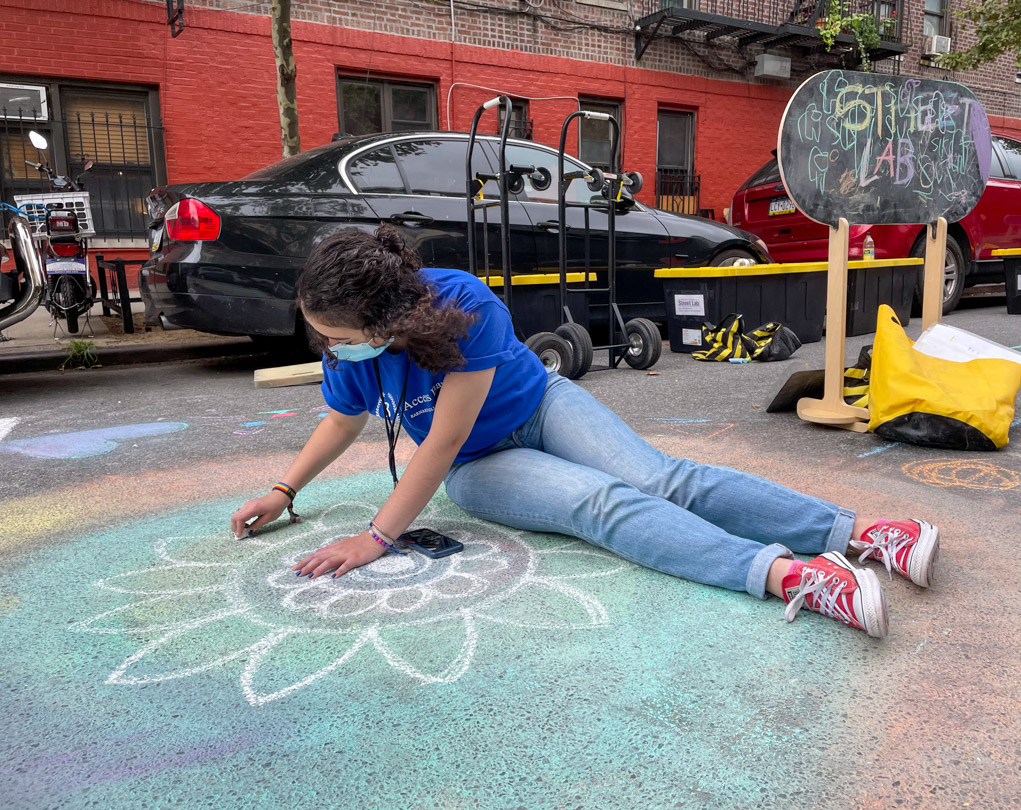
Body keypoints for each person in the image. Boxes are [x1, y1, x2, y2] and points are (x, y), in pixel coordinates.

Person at [231, 225, 941, 639]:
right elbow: (343, 419)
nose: (326, 346)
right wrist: (284, 488)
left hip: (540, 406)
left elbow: (440, 435)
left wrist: (375, 537)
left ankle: (864, 535)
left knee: (661, 479)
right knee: (602, 505)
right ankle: (798, 576)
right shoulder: (352, 355)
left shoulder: (460, 305)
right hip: (481, 466)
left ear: (385, 323)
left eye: (335, 335)